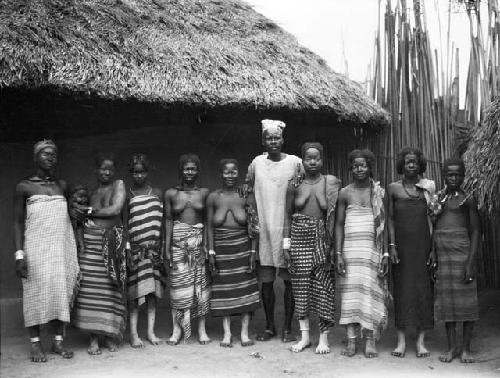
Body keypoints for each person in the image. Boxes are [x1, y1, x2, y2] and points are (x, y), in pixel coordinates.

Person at [13, 139, 81, 362]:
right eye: (46, 154)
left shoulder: (62, 186)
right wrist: (19, 254)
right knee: (34, 293)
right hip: (36, 248)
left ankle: (58, 342)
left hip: (61, 249)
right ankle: (35, 345)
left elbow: (73, 214)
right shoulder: (24, 187)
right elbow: (17, 222)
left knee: (60, 291)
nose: (51, 158)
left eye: (54, 154)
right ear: (36, 157)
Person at [245, 119, 303, 343]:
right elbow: (248, 187)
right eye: (268, 138)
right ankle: (270, 326)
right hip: (265, 231)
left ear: (282, 139)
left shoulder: (296, 162)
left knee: (289, 282)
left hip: (287, 229)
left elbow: (305, 187)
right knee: (267, 282)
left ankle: (288, 327)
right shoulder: (257, 163)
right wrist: (253, 219)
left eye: (276, 138)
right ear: (263, 140)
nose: (273, 141)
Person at [284, 142, 340, 354]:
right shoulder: (294, 184)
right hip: (298, 238)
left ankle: (323, 339)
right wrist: (286, 245)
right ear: (302, 160)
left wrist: (333, 246)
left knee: (324, 289)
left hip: (322, 240)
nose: (313, 162)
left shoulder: (330, 182)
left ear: (322, 160)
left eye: (317, 158)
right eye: (309, 158)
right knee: (300, 289)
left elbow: (335, 216)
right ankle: (305, 337)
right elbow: (286, 216)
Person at [335, 149, 389, 358]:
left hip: (371, 250)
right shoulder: (345, 193)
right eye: (355, 165)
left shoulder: (379, 193)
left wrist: (384, 254)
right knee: (350, 294)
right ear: (351, 168)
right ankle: (351, 340)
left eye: (363, 165)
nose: (359, 169)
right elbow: (339, 224)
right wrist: (338, 253)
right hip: (350, 250)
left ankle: (369, 340)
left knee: (369, 292)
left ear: (370, 167)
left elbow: (385, 226)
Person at [73, 153, 127, 355]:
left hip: (112, 244)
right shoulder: (92, 193)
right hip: (91, 244)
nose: (106, 172)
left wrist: (86, 211)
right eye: (103, 169)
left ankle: (108, 336)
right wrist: (79, 211)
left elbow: (115, 209)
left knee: (110, 291)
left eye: (110, 169)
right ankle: (94, 338)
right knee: (91, 293)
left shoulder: (118, 185)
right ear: (96, 171)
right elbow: (77, 215)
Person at [207, 159, 261, 348]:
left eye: (233, 171)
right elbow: (209, 227)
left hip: (243, 248)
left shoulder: (246, 194)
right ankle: (227, 333)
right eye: (226, 172)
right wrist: (211, 251)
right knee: (224, 292)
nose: (230, 175)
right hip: (221, 250)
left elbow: (254, 225)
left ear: (238, 173)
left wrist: (253, 252)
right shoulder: (214, 197)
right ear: (220, 174)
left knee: (245, 290)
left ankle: (244, 333)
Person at [388, 147, 435, 358]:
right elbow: (389, 219)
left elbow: (433, 219)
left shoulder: (428, 187)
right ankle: (401, 340)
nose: (411, 165)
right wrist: (391, 246)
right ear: (402, 165)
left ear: (420, 164)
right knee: (402, 290)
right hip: (402, 248)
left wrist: (433, 248)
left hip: (422, 246)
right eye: (408, 162)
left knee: (423, 290)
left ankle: (421, 341)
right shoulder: (393, 188)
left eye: (415, 162)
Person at [431, 158, 480, 363]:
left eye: (457, 174)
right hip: (443, 255)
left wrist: (470, 263)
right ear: (444, 175)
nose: (453, 178)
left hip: (462, 253)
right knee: (448, 302)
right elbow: (433, 226)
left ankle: (466, 349)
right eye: (450, 174)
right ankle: (452, 348)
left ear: (463, 176)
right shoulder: (439, 198)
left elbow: (476, 231)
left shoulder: (467, 199)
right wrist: (433, 251)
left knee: (467, 303)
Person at [164, 154, 211, 345]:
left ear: (198, 171)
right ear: (180, 171)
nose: (189, 172)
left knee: (200, 288)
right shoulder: (171, 194)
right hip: (177, 245)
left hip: (198, 244)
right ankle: (176, 329)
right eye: (186, 169)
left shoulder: (205, 193)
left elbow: (207, 221)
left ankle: (201, 329)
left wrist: (207, 246)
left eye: (193, 169)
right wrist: (166, 247)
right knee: (177, 287)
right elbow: (167, 220)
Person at [126, 154, 165, 348]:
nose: (139, 175)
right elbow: (126, 224)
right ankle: (133, 333)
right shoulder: (129, 194)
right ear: (131, 173)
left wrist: (162, 246)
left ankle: (150, 332)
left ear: (147, 172)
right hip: (136, 250)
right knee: (134, 293)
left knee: (151, 292)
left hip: (154, 251)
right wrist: (127, 249)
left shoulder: (157, 192)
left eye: (142, 172)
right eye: (135, 172)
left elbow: (163, 222)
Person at [68, 184, 90, 254]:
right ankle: (78, 247)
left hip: (79, 224)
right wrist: (89, 209)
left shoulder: (83, 204)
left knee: (81, 236)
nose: (84, 199)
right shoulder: (73, 203)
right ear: (73, 196)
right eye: (80, 196)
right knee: (75, 239)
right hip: (73, 225)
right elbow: (80, 208)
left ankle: (82, 246)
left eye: (85, 196)